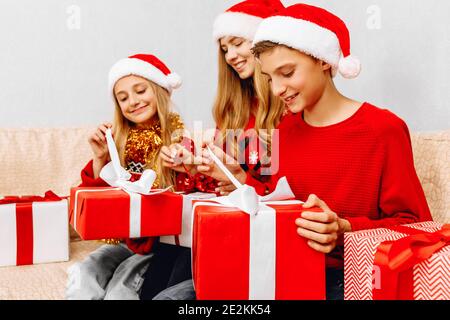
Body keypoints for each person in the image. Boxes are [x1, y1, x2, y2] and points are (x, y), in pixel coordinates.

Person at [201, 3, 433, 300]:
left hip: (346, 279)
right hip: (279, 270)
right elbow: (276, 202)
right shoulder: (284, 130)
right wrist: (241, 179)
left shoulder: (382, 129)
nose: (277, 89)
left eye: (287, 73)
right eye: (270, 78)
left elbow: (416, 227)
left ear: (323, 60)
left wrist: (344, 229)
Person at [149, 0, 286, 300]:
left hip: (262, 240)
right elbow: (224, 181)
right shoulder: (234, 111)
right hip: (225, 228)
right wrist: (192, 165)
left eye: (237, 43)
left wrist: (239, 178)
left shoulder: (291, 109)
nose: (231, 56)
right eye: (225, 48)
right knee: (157, 279)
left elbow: (282, 191)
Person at [65, 53, 207, 300]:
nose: (133, 101)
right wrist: (100, 158)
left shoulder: (180, 141)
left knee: (122, 287)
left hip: (157, 246)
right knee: (88, 268)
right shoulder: (116, 142)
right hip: (121, 241)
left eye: (140, 91)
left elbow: (196, 192)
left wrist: (184, 165)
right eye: (123, 98)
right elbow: (95, 203)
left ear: (161, 90)